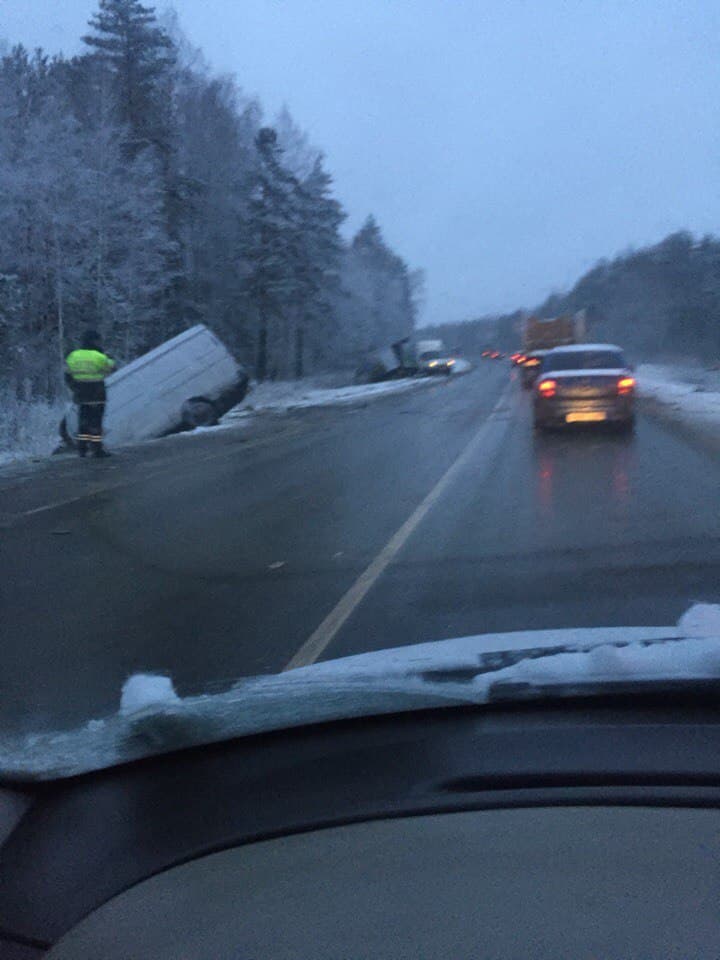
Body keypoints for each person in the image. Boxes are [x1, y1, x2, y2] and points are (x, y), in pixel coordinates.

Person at [65, 330, 116, 458]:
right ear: (94, 341)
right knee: (96, 423)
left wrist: (74, 388)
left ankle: (82, 448)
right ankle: (97, 448)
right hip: (97, 394)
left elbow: (67, 375)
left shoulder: (73, 356)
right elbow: (111, 368)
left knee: (83, 422)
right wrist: (110, 358)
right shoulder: (99, 356)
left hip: (81, 395)